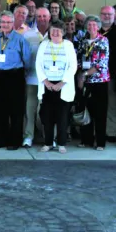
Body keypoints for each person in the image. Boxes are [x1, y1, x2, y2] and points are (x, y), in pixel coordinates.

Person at [0, 10, 31, 150]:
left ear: (13, 23)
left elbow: (27, 59)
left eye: (8, 22)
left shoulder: (20, 39)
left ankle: (14, 141)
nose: (5, 24)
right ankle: (0, 139)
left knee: (16, 110)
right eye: (3, 22)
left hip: (15, 76)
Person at [36, 20, 77, 153]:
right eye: (52, 30)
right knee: (47, 117)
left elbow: (73, 66)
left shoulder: (68, 45)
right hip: (47, 86)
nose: (55, 33)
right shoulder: (44, 44)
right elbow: (38, 65)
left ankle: (61, 143)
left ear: (63, 32)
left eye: (58, 31)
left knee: (62, 117)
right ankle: (48, 143)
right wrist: (46, 82)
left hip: (63, 86)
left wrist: (61, 83)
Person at [79, 16, 110, 150]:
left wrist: (84, 74)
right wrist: (81, 75)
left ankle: (100, 142)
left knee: (100, 113)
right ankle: (87, 140)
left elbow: (101, 64)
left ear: (98, 27)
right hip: (86, 82)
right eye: (89, 25)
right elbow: (79, 58)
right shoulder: (83, 41)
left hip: (99, 81)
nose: (91, 27)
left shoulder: (103, 41)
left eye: (94, 25)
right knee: (86, 112)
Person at [22, 7, 51, 147]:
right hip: (31, 79)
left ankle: (49, 137)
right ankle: (28, 136)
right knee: (29, 109)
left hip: (49, 80)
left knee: (46, 111)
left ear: (49, 17)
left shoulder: (54, 34)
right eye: (39, 16)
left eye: (44, 16)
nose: (42, 19)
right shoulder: (28, 34)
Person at [99, 6, 116, 143]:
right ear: (100, 15)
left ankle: (110, 132)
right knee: (98, 104)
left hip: (113, 75)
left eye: (109, 14)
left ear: (114, 15)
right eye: (104, 14)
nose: (106, 16)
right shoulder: (94, 31)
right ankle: (98, 131)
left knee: (112, 105)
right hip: (96, 76)